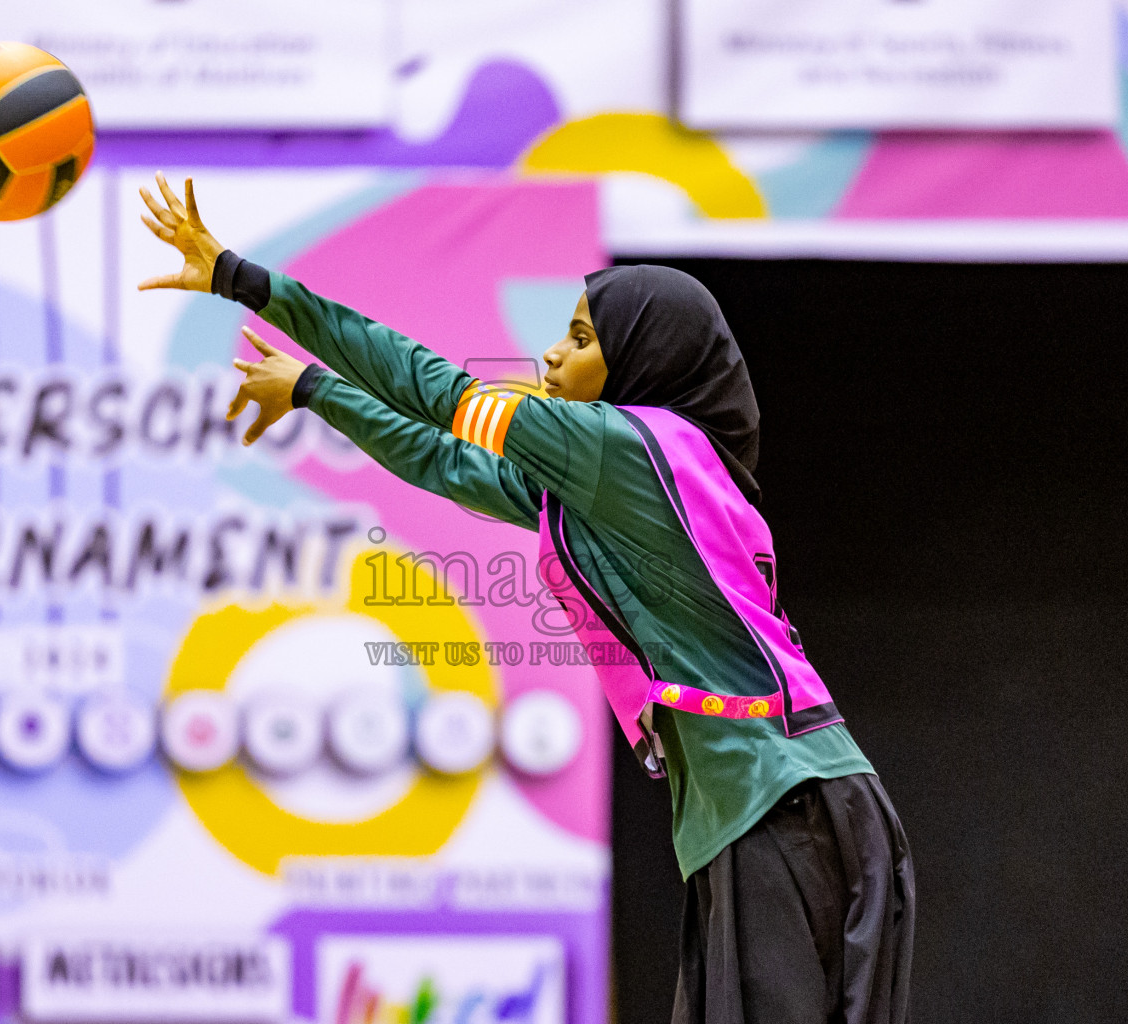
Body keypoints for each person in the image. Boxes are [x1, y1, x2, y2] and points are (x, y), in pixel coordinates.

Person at [138, 171, 915, 1024]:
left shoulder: (625, 449)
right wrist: (315, 390)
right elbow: (440, 459)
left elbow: (432, 388)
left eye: (580, 338)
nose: (551, 356)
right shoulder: (612, 484)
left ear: (641, 361)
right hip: (761, 810)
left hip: (786, 802)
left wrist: (243, 282)